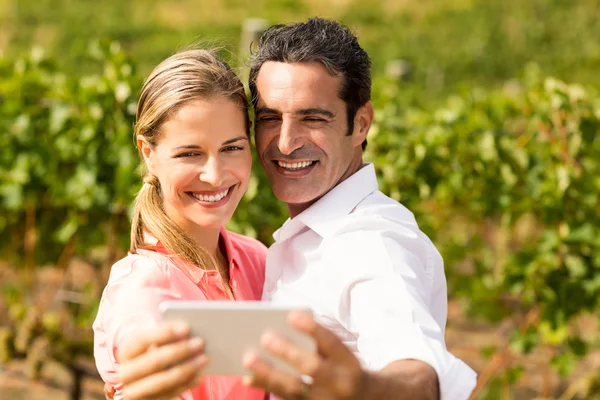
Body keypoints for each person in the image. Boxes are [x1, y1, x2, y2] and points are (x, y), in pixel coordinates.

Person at [105, 17, 477, 400]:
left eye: (312, 118)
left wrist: (365, 389)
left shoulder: (373, 245)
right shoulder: (265, 255)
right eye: (269, 119)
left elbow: (416, 367)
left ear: (361, 123)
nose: (284, 144)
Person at [92, 49, 268, 400]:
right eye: (190, 154)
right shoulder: (143, 291)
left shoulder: (257, 260)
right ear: (148, 153)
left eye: (232, 148)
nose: (215, 175)